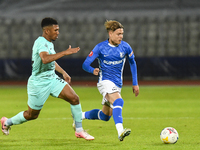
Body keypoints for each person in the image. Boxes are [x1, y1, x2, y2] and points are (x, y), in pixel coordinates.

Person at [1, 17, 94, 140]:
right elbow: (45, 59)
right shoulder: (40, 42)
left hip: (52, 79)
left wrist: (63, 72)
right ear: (47, 31)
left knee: (74, 98)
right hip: (39, 83)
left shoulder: (49, 43)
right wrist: (64, 53)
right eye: (55, 30)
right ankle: (6, 122)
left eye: (58, 30)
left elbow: (51, 61)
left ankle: (79, 130)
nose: (58, 32)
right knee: (32, 115)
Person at [81, 20, 139, 141]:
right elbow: (85, 64)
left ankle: (79, 115)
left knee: (105, 116)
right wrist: (92, 70)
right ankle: (120, 131)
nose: (121, 36)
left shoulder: (125, 46)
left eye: (122, 33)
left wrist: (135, 83)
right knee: (119, 101)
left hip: (117, 84)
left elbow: (133, 63)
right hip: (104, 82)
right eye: (118, 34)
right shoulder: (100, 47)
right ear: (110, 33)